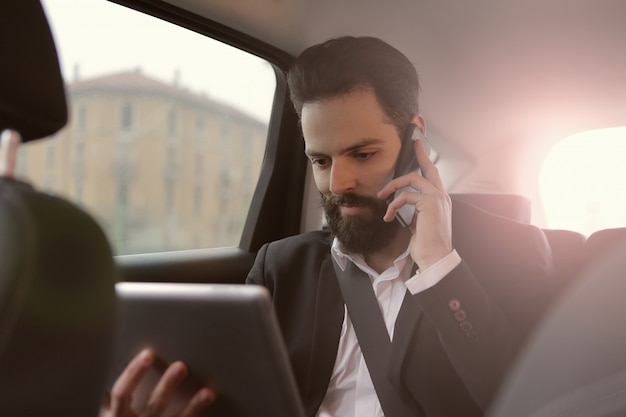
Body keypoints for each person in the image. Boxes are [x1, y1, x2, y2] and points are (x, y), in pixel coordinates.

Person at [106, 36, 555, 417]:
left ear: (415, 139)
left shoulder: (512, 250)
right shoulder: (281, 266)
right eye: (320, 160)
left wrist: (439, 266)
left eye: (362, 155)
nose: (337, 184)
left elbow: (536, 403)